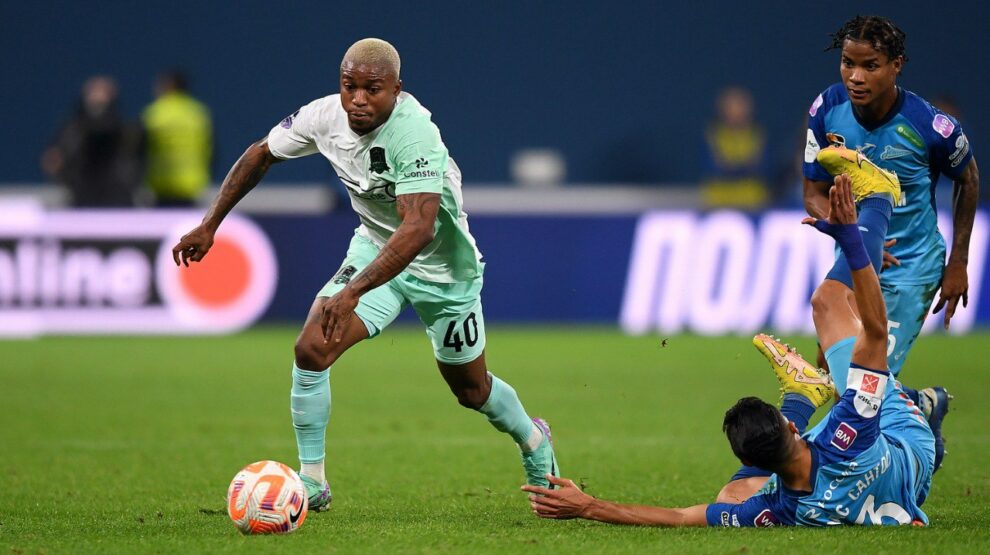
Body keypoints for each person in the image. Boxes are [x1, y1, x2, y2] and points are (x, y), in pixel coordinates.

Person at [171, 38, 558, 511]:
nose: (357, 99)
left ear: (397, 89)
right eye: (348, 86)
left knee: (471, 390)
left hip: (444, 271)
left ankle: (533, 438)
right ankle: (313, 481)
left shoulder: (415, 134)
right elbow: (260, 154)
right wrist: (210, 224)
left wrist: (353, 291)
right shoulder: (322, 116)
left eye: (372, 89)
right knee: (312, 347)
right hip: (376, 251)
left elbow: (418, 229)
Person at [523, 176, 947, 527]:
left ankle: (803, 394)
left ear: (752, 461)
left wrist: (588, 506)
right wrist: (852, 239)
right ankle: (882, 196)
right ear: (793, 428)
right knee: (829, 303)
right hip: (906, 442)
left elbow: (679, 517)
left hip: (898, 491)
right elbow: (875, 330)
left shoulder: (777, 510)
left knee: (729, 496)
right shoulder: (851, 425)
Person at [802, 16, 978, 404]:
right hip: (855, 257)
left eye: (870, 66)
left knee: (862, 381)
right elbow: (813, 192)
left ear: (896, 65)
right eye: (848, 63)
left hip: (909, 265)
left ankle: (913, 413)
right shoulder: (827, 108)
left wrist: (959, 262)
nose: (856, 77)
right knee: (833, 368)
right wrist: (854, 238)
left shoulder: (929, 125)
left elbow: (969, 179)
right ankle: (922, 405)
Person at [41, 75, 143, 207]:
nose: (97, 98)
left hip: (117, 200)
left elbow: (135, 162)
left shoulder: (126, 130)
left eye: (103, 94)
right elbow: (55, 159)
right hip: (82, 198)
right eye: (93, 93)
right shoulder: (71, 131)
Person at [142, 70, 213, 206]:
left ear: (167, 86)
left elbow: (141, 151)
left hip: (160, 185)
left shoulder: (153, 114)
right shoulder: (198, 113)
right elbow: (210, 150)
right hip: (191, 185)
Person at [700, 86, 770, 210]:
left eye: (741, 106)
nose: (737, 111)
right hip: (718, 202)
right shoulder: (713, 135)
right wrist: (744, 167)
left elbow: (762, 167)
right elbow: (712, 167)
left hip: (752, 201)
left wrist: (731, 167)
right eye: (731, 106)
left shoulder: (758, 135)